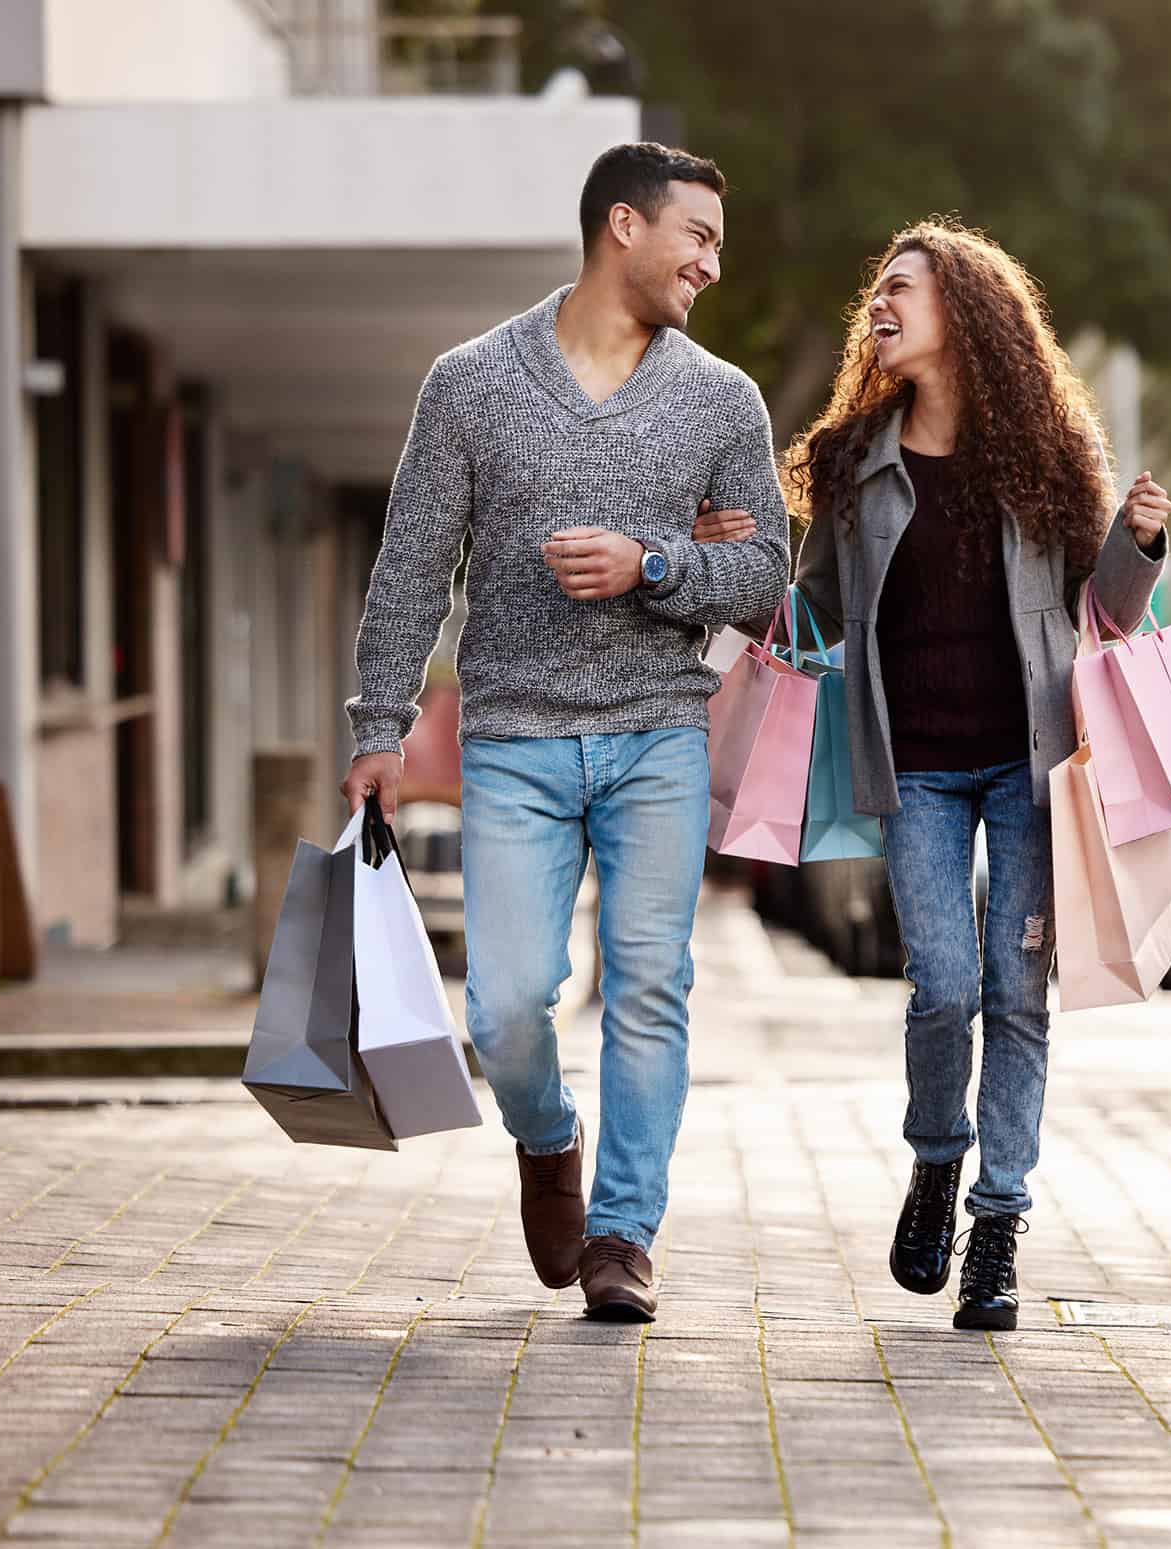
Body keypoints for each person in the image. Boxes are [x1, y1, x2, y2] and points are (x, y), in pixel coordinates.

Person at [341, 142, 789, 1324]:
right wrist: (378, 721)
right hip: (514, 739)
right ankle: (548, 1138)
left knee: (650, 986)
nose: (709, 264)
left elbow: (764, 576)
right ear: (622, 227)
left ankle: (622, 1234)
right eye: (696, 238)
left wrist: (657, 564)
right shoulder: (471, 382)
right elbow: (411, 566)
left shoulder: (720, 399)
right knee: (503, 1000)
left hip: (657, 734)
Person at [696, 219, 1171, 1329]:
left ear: (963, 313)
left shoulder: (1048, 454)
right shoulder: (853, 460)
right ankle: (934, 1162)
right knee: (943, 986)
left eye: (902, 288)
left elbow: (1099, 614)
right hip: (910, 768)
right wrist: (732, 573)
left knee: (1015, 993)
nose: (881, 303)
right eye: (880, 288)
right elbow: (811, 611)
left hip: (1025, 764)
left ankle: (997, 1225)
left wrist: (1136, 543)